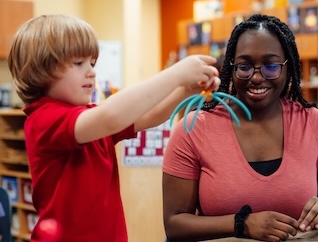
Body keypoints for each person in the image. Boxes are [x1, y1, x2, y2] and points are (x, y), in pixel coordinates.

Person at [7, 14, 220, 242]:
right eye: (79, 63)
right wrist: (175, 74)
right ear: (41, 69)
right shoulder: (43, 120)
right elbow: (111, 116)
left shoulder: (90, 118)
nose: (91, 71)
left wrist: (187, 89)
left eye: (92, 62)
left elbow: (150, 115)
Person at [162, 14, 318, 242]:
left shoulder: (312, 121)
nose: (256, 77)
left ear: (288, 67)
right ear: (231, 68)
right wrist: (241, 224)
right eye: (244, 66)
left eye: (271, 66)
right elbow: (174, 224)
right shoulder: (194, 128)